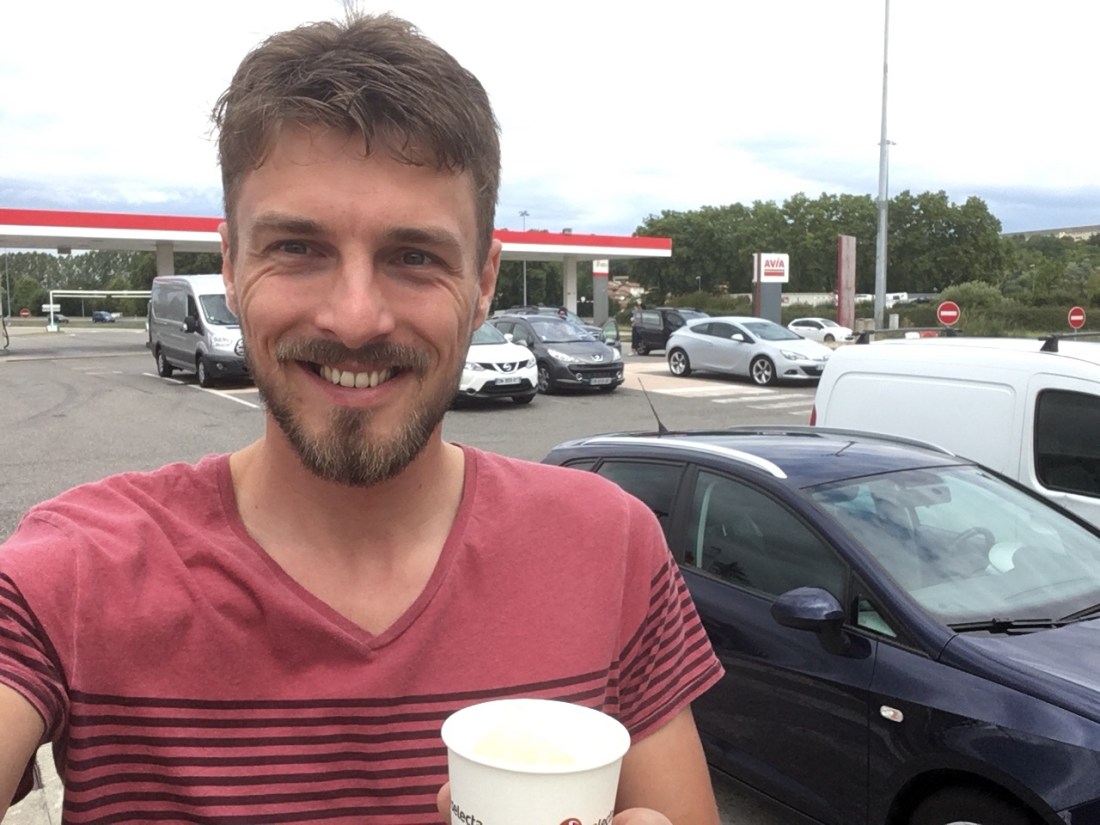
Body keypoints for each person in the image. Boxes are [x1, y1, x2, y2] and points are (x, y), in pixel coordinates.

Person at [0, 13, 723, 824]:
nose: (354, 319)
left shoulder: (611, 548)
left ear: (484, 281)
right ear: (231, 266)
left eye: (413, 256)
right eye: (297, 248)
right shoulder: (74, 574)